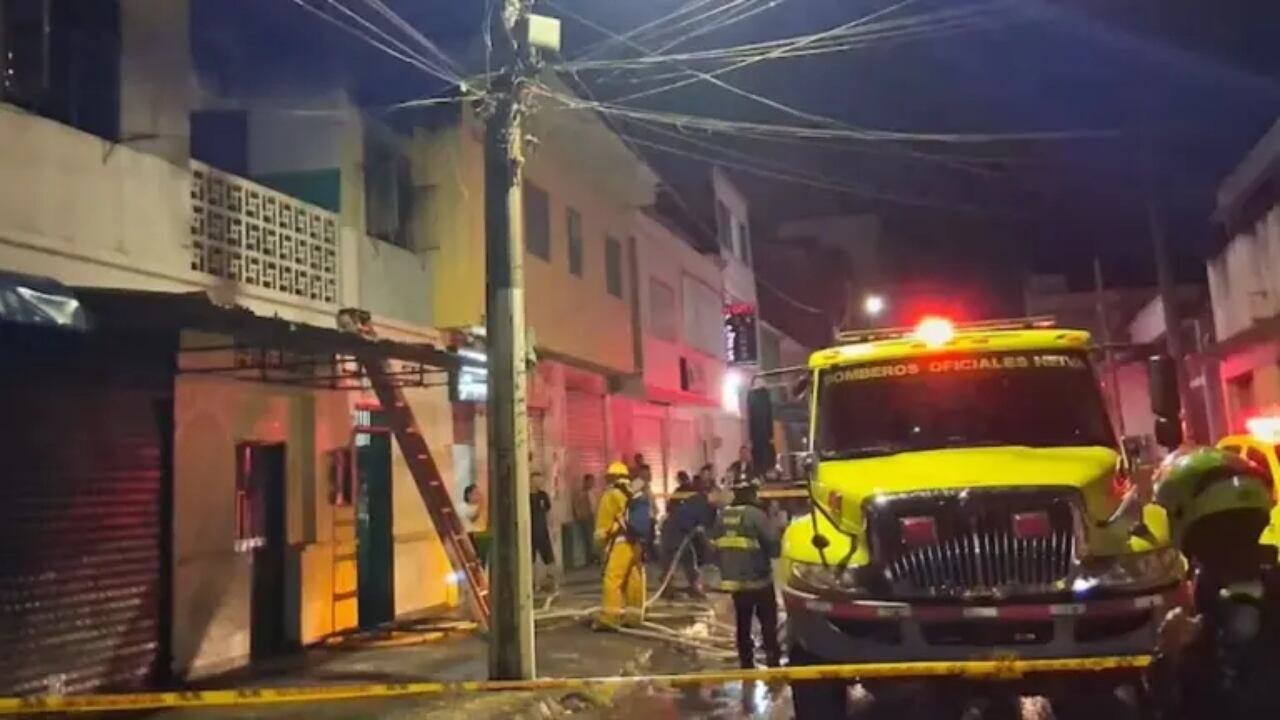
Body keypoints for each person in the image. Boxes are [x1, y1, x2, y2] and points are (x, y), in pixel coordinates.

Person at [711, 476, 782, 669]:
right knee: (768, 621)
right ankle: (773, 660)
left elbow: (714, 549)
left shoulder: (722, 516)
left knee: (743, 623)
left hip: (735, 583)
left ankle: (746, 661)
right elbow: (774, 548)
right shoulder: (757, 515)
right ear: (751, 493)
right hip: (759, 581)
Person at [594, 461, 648, 629]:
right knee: (634, 578)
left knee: (613, 579)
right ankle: (634, 617)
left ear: (612, 477)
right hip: (637, 542)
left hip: (620, 542)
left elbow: (603, 525)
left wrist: (600, 544)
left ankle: (610, 618)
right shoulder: (634, 492)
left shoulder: (610, 495)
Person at [661, 471, 715, 598]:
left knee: (688, 557)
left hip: (676, 530)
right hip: (675, 532)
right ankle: (667, 587)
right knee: (674, 559)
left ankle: (691, 585)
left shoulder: (696, 499)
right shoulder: (703, 505)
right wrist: (709, 544)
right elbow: (700, 530)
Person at [529, 472, 555, 588]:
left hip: (542, 530)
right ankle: (534, 582)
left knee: (548, 556)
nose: (539, 483)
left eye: (541, 480)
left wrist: (552, 528)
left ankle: (548, 578)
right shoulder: (525, 496)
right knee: (531, 558)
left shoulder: (543, 495)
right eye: (537, 480)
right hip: (530, 532)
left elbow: (548, 513)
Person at [571, 474, 598, 565]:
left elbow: (595, 505)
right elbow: (576, 506)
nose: (592, 483)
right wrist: (579, 515)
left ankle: (594, 556)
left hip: (593, 517)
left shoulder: (593, 493)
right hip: (584, 518)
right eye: (590, 481)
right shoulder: (579, 493)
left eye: (593, 481)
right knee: (587, 538)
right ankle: (589, 558)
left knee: (593, 537)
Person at [462, 484, 489, 569]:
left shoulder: (480, 507)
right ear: (468, 495)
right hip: (470, 536)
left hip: (482, 536)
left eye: (478, 493)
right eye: (475, 493)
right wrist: (482, 504)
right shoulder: (464, 507)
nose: (478, 496)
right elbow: (473, 517)